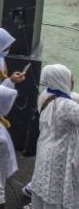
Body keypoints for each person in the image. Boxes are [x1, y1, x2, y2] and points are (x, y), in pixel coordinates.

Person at [29, 64, 79, 209]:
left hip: (44, 149)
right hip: (60, 154)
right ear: (61, 79)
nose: (72, 81)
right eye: (70, 78)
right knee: (56, 192)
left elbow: (70, 97)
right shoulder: (67, 106)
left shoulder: (45, 96)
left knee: (42, 184)